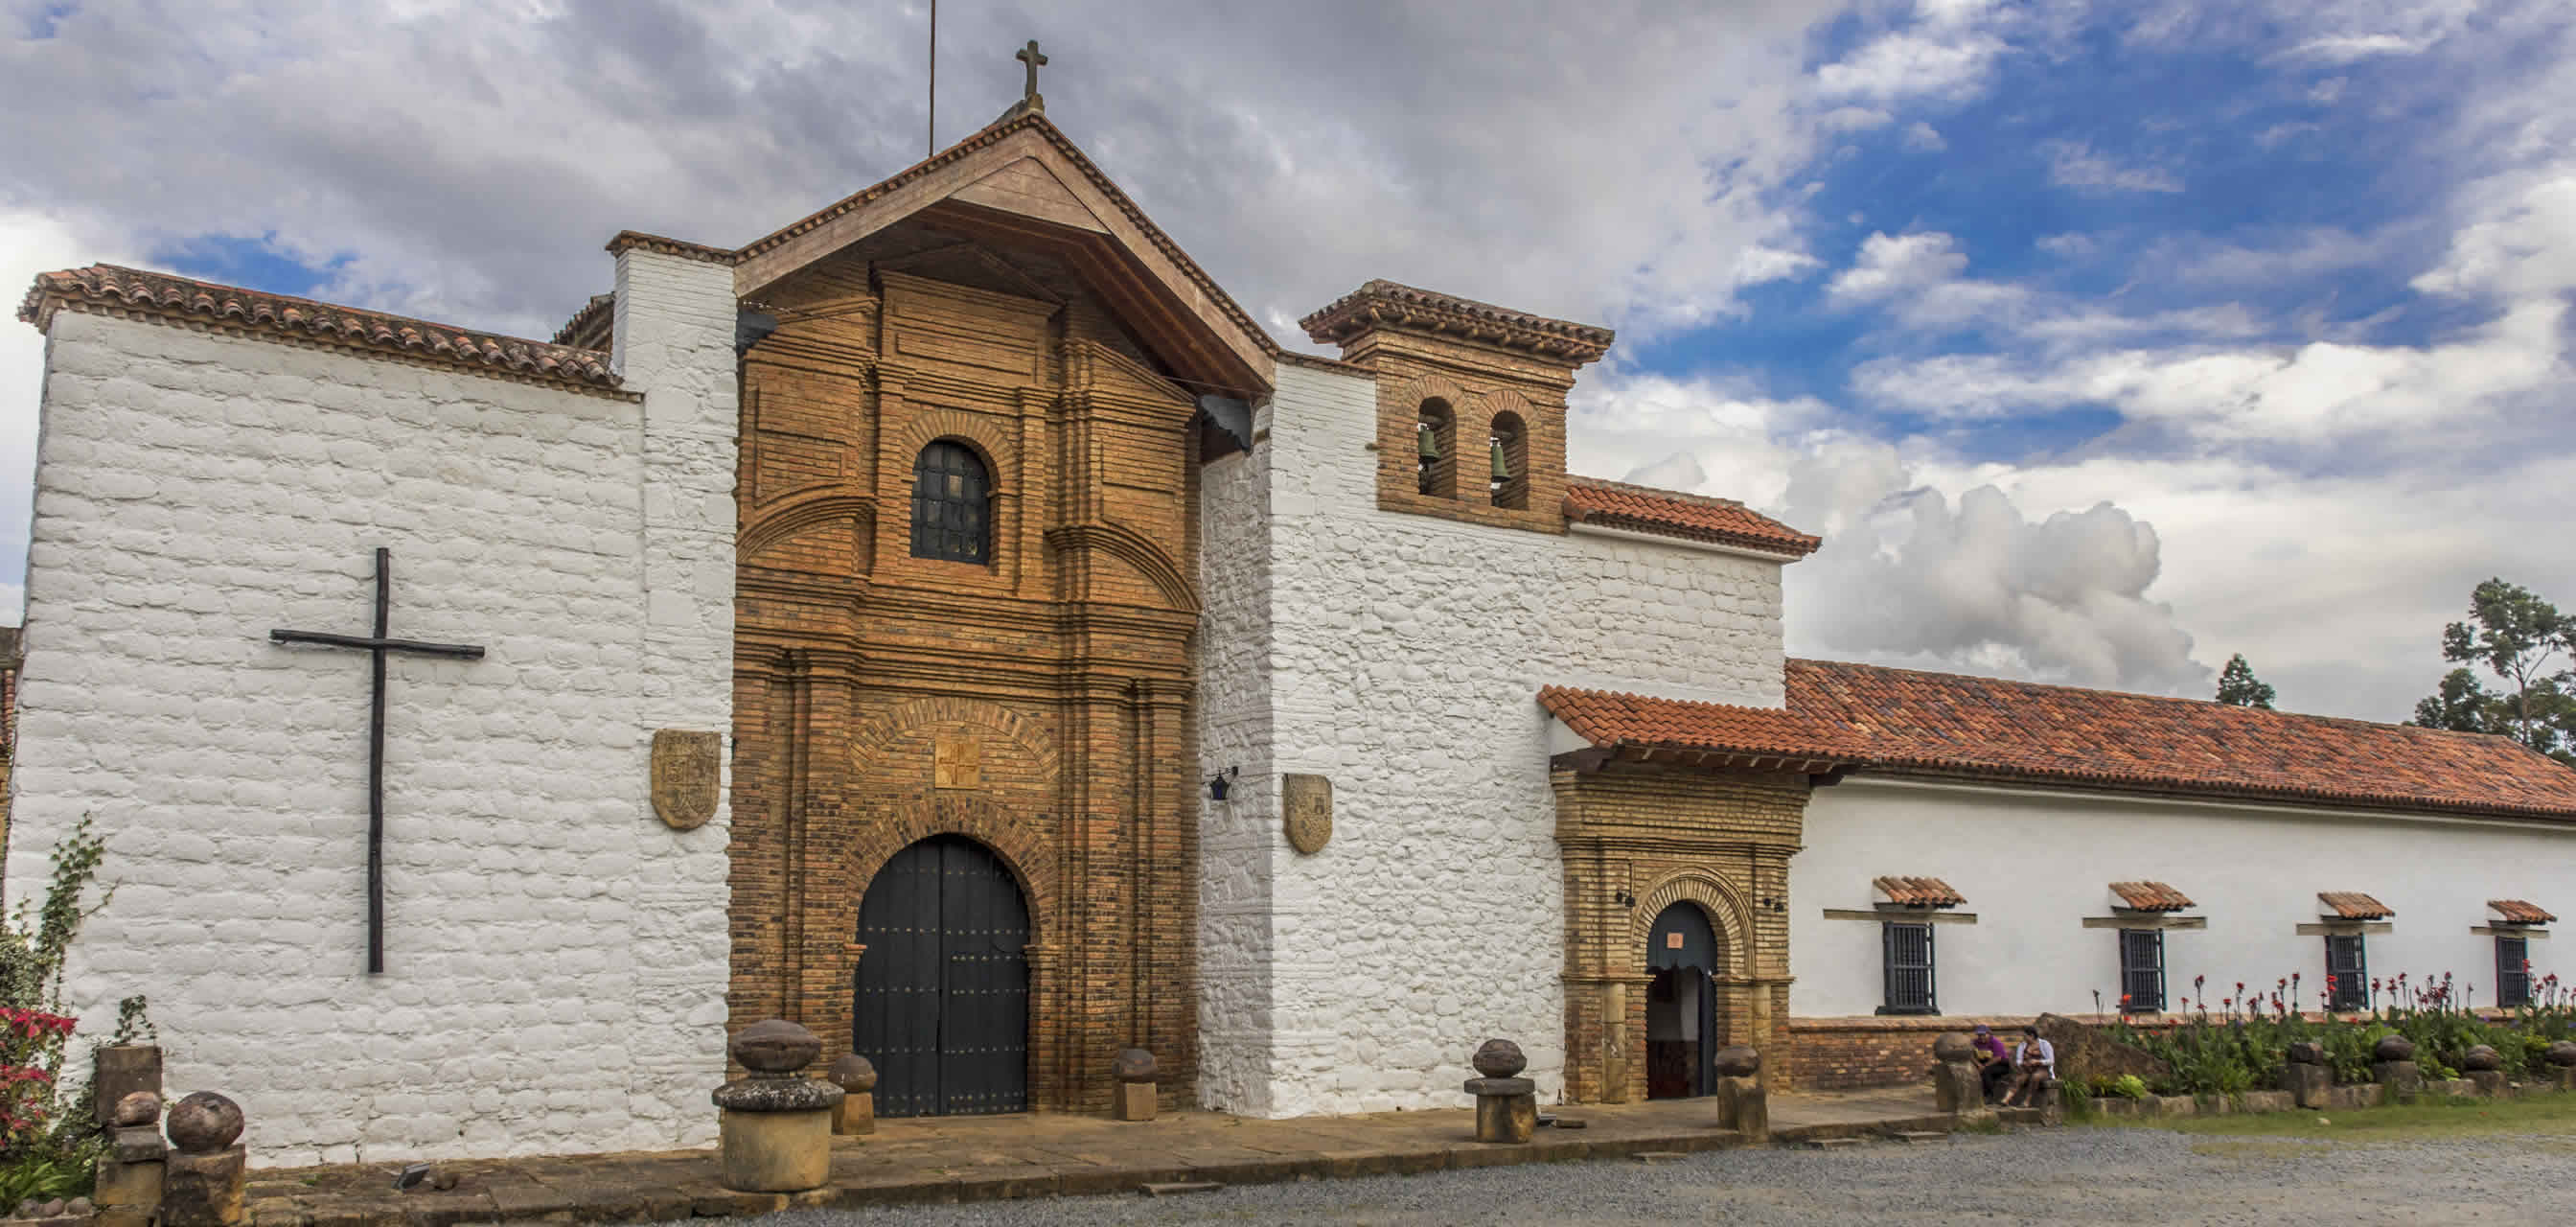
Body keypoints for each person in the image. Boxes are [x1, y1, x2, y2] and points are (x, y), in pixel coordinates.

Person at [2005, 1024, 2057, 1106]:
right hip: (2027, 1069)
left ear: (2031, 1036)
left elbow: (2051, 1061)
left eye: (2025, 1036)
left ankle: (2027, 1101)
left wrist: (2038, 1062)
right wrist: (2023, 1063)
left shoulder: (2045, 1044)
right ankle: (2006, 1099)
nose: (2023, 1038)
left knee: (2035, 1077)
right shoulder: (2022, 1045)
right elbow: (2018, 1060)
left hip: (2043, 1070)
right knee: (2019, 1079)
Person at [1970, 1024, 2012, 1103]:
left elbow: (1997, 1058)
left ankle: (1989, 1095)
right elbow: (1969, 1054)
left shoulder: (1996, 1043)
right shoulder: (1975, 1043)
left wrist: (1984, 1066)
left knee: (1986, 1072)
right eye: (1979, 1035)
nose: (1981, 1037)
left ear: (1989, 1034)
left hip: (2001, 1064)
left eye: (1983, 1035)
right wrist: (1978, 1064)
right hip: (1984, 1063)